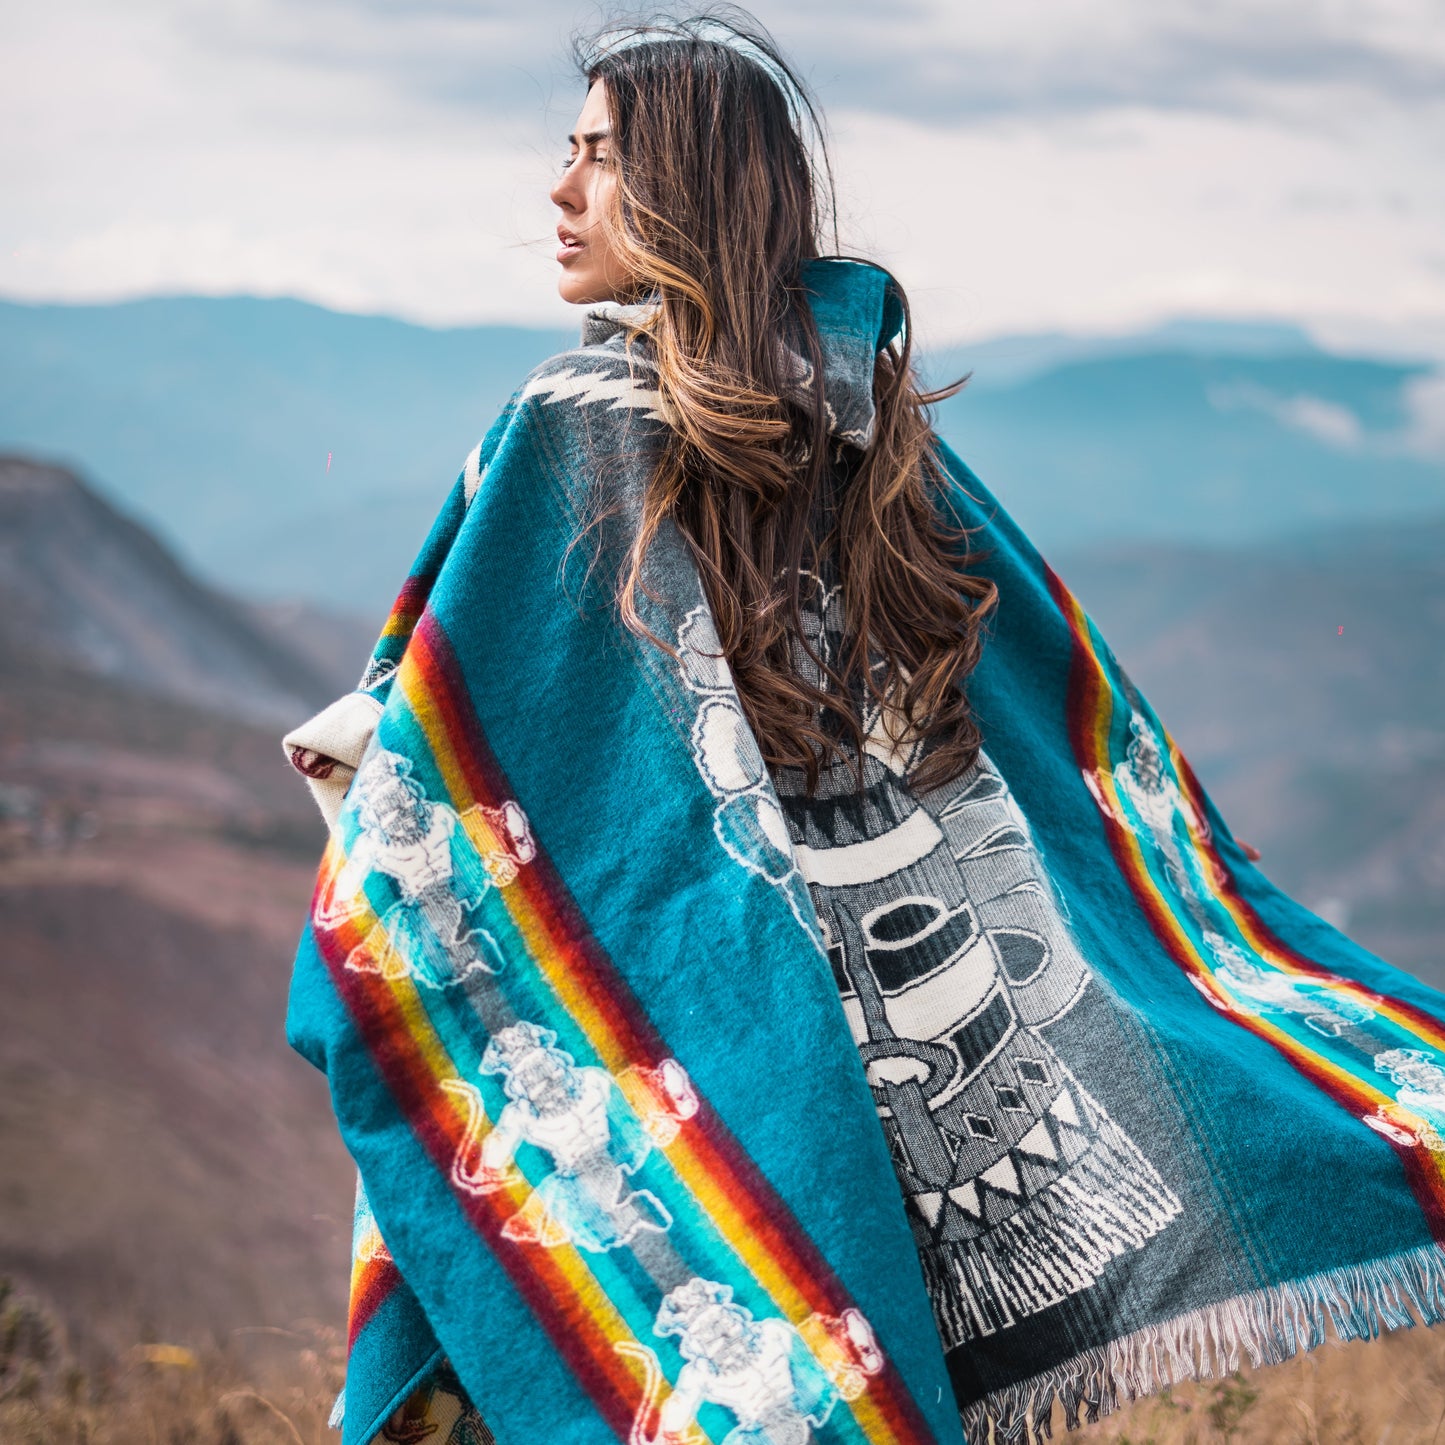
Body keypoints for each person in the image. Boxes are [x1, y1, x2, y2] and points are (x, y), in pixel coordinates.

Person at [282, 13, 1445, 1445]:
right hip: (846, 1062)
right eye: (566, 155)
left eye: (599, 158)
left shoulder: (570, 425)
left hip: (701, 1017)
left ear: (690, 187)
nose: (559, 192)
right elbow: (1040, 705)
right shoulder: (856, 415)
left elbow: (466, 766)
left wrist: (370, 753)